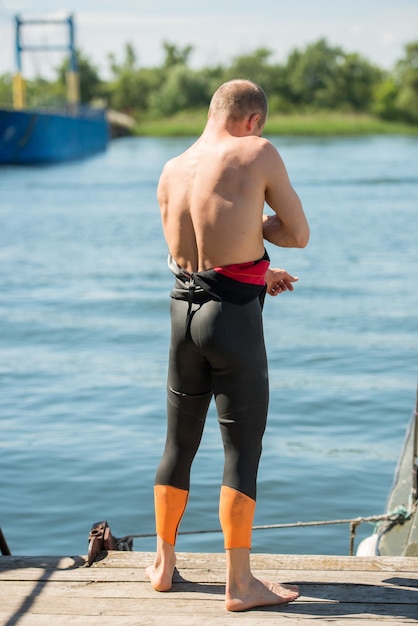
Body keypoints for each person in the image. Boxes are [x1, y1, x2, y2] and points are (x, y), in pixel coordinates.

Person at [146, 79, 309, 612]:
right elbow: (297, 231)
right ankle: (239, 584)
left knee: (178, 444)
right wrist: (258, 225)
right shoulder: (256, 151)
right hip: (231, 324)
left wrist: (258, 272)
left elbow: (201, 259)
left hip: (181, 316)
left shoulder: (173, 168)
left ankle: (163, 564)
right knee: (241, 450)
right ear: (253, 120)